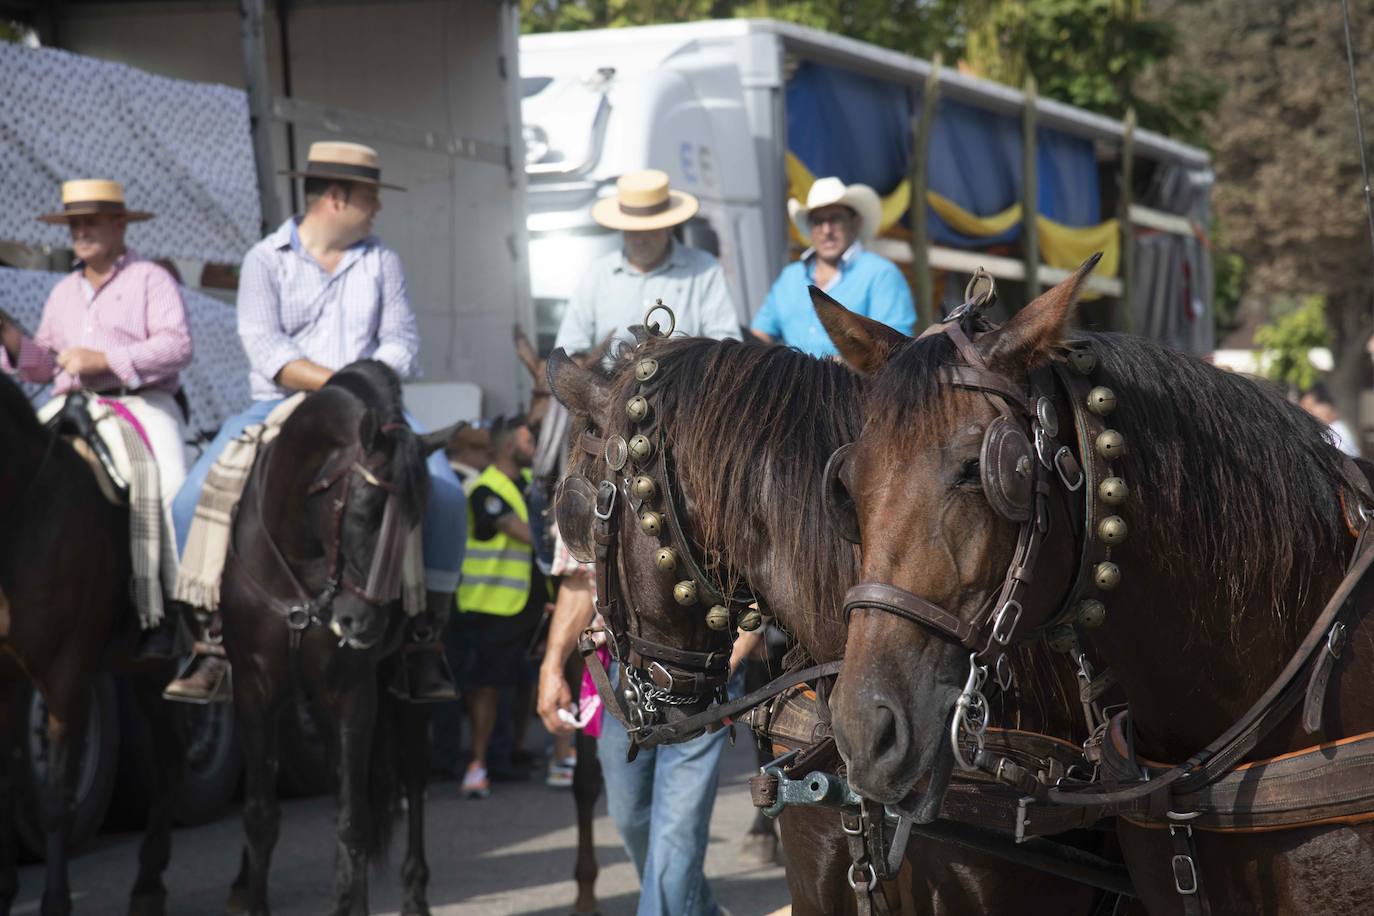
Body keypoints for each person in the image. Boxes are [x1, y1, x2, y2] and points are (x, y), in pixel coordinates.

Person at [165, 141, 464, 702]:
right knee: (188, 501)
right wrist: (340, 384)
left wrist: (364, 386)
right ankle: (209, 642)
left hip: (373, 408)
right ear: (336, 197)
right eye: (370, 197)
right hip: (279, 406)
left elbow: (403, 343)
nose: (377, 209)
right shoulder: (264, 259)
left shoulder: (382, 260)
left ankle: (425, 641)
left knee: (447, 494)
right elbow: (267, 350)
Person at [0, 178, 193, 658]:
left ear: (120, 223)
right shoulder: (64, 291)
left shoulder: (151, 278)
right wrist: (11, 340)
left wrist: (104, 361)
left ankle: (180, 617)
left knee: (171, 489)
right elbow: (45, 363)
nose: (81, 232)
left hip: (140, 401)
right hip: (71, 403)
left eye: (90, 221)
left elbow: (176, 346)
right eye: (74, 224)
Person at [455, 415, 548, 798]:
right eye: (530, 439)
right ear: (510, 443)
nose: (536, 447)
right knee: (489, 686)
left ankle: (513, 752)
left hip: (527, 606)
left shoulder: (528, 485)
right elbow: (527, 534)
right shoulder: (484, 490)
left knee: (524, 682)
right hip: (492, 607)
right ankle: (477, 764)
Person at [553, 169, 741, 354]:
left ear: (669, 226)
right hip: (609, 384)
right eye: (632, 230)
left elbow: (725, 348)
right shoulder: (597, 274)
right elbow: (571, 349)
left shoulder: (705, 270)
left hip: (685, 384)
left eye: (650, 229)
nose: (640, 239)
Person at [751, 176, 916, 356]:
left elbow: (892, 348)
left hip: (856, 384)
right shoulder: (790, 277)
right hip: (793, 382)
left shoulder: (882, 274)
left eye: (835, 219)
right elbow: (760, 335)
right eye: (818, 222)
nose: (826, 230)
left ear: (855, 222)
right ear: (810, 228)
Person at [1300, 382, 1361, 457]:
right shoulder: (1323, 432)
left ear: (1326, 406)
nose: (1308, 414)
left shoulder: (1337, 430)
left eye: (1310, 409)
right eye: (1305, 410)